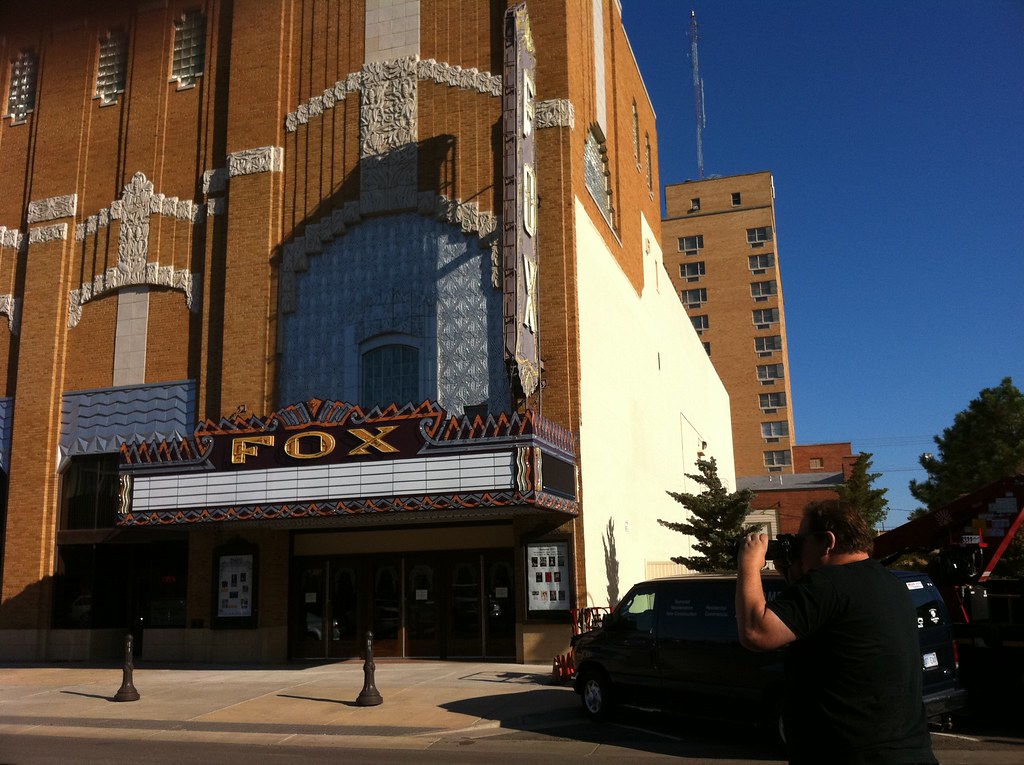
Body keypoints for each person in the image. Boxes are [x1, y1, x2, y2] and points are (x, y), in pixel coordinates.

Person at [735, 499, 937, 765]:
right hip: (907, 750)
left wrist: (749, 564)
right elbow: (825, 621)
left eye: (802, 541)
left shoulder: (828, 583)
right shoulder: (890, 583)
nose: (798, 548)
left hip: (851, 754)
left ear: (828, 541)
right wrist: (793, 574)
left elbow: (756, 632)